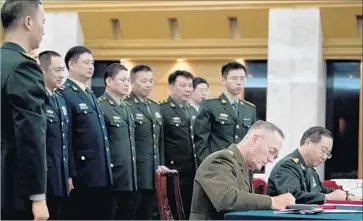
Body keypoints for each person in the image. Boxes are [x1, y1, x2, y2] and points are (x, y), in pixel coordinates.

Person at [1, 0, 49, 220]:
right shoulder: (23, 67)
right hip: (12, 191)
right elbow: (30, 135)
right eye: (43, 22)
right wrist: (38, 197)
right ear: (28, 22)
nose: (44, 29)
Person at [189, 120, 295, 220]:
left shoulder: (244, 166)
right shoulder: (220, 160)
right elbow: (227, 200)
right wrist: (272, 201)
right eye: (271, 151)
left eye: (275, 156)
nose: (271, 159)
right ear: (255, 140)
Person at [59, 46, 113, 219]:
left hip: (99, 171)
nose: (91, 67)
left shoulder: (89, 93)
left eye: (92, 63)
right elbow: (66, 137)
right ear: (72, 65)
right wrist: (69, 174)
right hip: (81, 174)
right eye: (86, 62)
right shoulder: (65, 93)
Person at [268, 126, 362, 204]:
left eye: (328, 154)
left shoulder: (310, 168)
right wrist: (327, 197)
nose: (324, 157)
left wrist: (347, 196)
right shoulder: (287, 166)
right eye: (323, 150)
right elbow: (292, 196)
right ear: (308, 143)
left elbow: (321, 190)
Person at [126, 64, 171, 220]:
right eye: (143, 81)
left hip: (155, 171)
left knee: (152, 212)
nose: (148, 85)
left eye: (151, 81)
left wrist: (162, 165)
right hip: (137, 173)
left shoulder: (155, 107)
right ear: (132, 82)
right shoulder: (127, 106)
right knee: (137, 212)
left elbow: (160, 143)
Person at [98, 63, 140, 220]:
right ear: (109, 81)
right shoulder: (101, 106)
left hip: (129, 176)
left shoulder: (126, 107)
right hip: (113, 176)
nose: (127, 84)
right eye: (122, 80)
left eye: (128, 80)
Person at [193, 61, 257, 166]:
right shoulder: (210, 105)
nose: (239, 82)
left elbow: (252, 141)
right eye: (234, 78)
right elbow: (201, 142)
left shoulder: (249, 109)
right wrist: (206, 167)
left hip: (242, 167)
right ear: (224, 81)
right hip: (218, 165)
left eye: (242, 78)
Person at [38, 50, 76, 220]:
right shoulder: (37, 99)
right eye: (57, 70)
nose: (62, 75)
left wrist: (68, 174)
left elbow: (66, 140)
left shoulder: (60, 99)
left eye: (63, 70)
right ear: (43, 71)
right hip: (44, 176)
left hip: (60, 175)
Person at [160, 70, 197, 219]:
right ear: (171, 87)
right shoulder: (162, 109)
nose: (188, 89)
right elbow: (159, 142)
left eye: (190, 85)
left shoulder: (193, 111)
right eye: (183, 85)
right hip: (173, 173)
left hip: (192, 173)